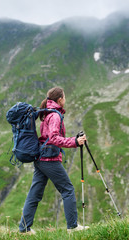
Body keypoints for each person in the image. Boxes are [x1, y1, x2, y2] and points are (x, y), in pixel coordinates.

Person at [19, 87, 88, 234]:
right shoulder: (55, 116)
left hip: (40, 157)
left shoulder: (47, 113)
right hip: (49, 159)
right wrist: (75, 142)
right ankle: (73, 227)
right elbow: (54, 138)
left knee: (34, 194)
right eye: (65, 97)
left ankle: (24, 229)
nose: (65, 99)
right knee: (67, 189)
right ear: (60, 100)